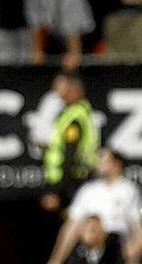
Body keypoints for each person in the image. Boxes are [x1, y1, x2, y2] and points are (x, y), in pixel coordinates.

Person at [41, 71, 100, 212]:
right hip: (72, 179)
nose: (57, 91)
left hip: (71, 182)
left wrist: (56, 190)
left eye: (62, 87)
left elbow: (70, 151)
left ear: (73, 90)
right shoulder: (76, 112)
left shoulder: (75, 117)